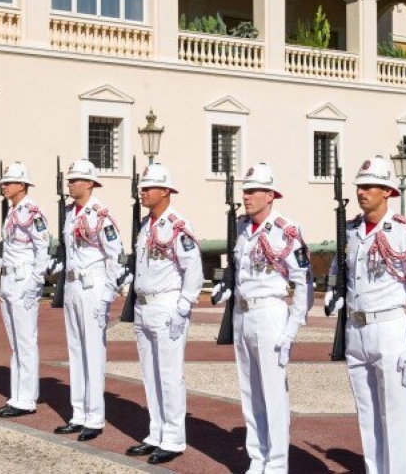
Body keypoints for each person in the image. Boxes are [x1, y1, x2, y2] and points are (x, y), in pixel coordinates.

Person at [325, 155, 406, 474]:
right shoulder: (349, 230)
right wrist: (333, 291)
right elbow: (338, 270)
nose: (362, 192)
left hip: (389, 327)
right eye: (360, 186)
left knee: (395, 416)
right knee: (368, 414)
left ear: (387, 191)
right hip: (356, 331)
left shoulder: (404, 231)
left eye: (371, 186)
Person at [211, 162, 314, 474]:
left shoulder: (286, 230)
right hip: (243, 313)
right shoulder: (242, 227)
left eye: (254, 190)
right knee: (249, 391)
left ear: (270, 195)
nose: (247, 195)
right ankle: (258, 458)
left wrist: (292, 329)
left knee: (272, 392)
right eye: (245, 190)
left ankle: (278, 463)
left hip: (270, 312)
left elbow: (304, 283)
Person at [124, 163, 203, 465]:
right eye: (142, 187)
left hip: (167, 305)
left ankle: (173, 438)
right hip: (145, 305)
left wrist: (184, 307)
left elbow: (193, 269)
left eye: (149, 187)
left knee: (169, 375)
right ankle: (155, 432)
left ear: (166, 191)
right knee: (150, 374)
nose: (142, 192)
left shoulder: (177, 225)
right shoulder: (146, 225)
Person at [49, 160, 123, 441]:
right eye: (70, 180)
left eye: (76, 180)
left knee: (93, 352)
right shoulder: (69, 213)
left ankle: (95, 416)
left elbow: (115, 255)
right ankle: (78, 413)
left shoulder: (100, 215)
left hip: (93, 286)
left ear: (90, 183)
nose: (71, 184)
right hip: (71, 285)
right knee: (75, 350)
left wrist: (108, 294)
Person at [0, 162, 50, 418]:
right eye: (4, 182)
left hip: (24, 280)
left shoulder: (32, 212)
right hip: (9, 280)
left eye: (9, 182)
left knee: (25, 341)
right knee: (15, 341)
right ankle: (17, 395)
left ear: (22, 185)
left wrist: (34, 282)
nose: (4, 186)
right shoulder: (13, 210)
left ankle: (26, 399)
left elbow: (42, 249)